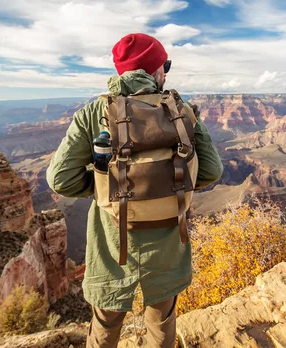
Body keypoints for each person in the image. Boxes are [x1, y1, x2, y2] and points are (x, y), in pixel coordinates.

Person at [46, 33, 223, 348]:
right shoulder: (181, 110)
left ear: (120, 73)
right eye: (164, 65)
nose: (165, 72)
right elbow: (211, 171)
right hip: (169, 241)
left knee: (105, 323)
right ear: (156, 71)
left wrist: (105, 186)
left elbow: (60, 179)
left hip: (113, 242)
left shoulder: (94, 113)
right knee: (162, 322)